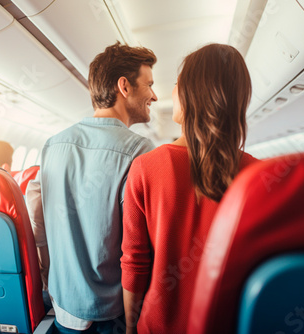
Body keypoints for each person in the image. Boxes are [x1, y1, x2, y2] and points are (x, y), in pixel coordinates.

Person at [120, 43, 259, 334]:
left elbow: (134, 263)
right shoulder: (259, 175)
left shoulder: (146, 168)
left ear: (190, 94)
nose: (170, 93)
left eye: (176, 84)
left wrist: (131, 328)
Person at [26, 42, 158, 333]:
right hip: (111, 315)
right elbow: (138, 249)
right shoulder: (140, 151)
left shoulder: (52, 145)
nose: (155, 95)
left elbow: (38, 225)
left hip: (63, 308)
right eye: (149, 84)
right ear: (124, 86)